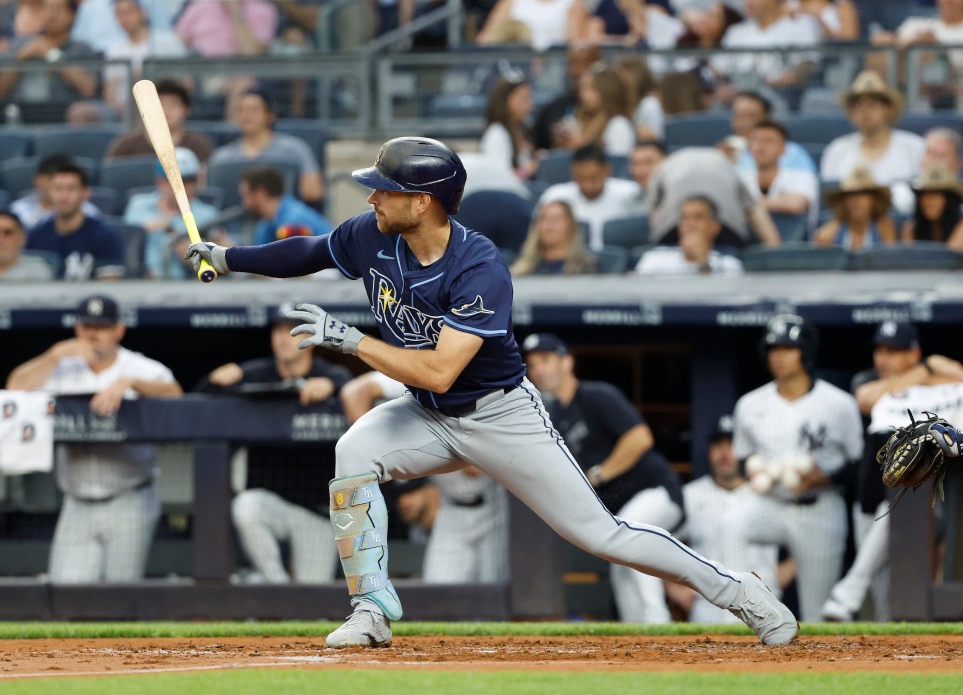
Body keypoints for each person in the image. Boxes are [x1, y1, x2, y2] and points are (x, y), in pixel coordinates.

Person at [186, 135, 797, 648]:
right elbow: (309, 252)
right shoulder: (372, 233)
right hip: (425, 415)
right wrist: (228, 255)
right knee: (352, 454)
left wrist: (352, 342)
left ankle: (740, 591)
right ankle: (370, 609)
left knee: (601, 535)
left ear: (423, 202)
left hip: (499, 414)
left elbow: (440, 371)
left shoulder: (479, 267)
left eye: (386, 188)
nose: (372, 196)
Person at [6, 295, 183, 583]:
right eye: (87, 326)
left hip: (130, 497)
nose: (93, 334)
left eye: (101, 327)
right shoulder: (61, 368)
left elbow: (175, 395)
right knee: (67, 596)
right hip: (77, 502)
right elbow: (14, 388)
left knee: (119, 597)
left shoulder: (139, 368)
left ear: (118, 331)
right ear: (77, 328)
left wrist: (131, 383)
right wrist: (53, 355)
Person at [523, 332, 686, 623]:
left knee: (635, 547)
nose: (538, 370)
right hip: (624, 509)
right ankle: (640, 641)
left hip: (657, 492)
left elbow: (640, 438)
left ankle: (658, 625)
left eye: (546, 360)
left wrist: (597, 475)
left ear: (567, 362)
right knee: (621, 565)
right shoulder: (553, 416)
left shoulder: (596, 395)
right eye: (532, 365)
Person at [724, 314, 862, 622]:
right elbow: (744, 457)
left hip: (819, 505)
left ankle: (817, 665)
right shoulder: (750, 404)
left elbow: (858, 461)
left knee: (818, 609)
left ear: (805, 352)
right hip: (769, 502)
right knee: (732, 524)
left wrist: (824, 477)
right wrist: (755, 472)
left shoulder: (839, 403)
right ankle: (754, 607)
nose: (779, 356)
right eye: (773, 349)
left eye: (788, 348)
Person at [822, 321, 963, 622]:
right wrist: (924, 372)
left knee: (898, 568)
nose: (884, 359)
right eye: (880, 350)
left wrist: (926, 370)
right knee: (879, 583)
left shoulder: (932, 376)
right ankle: (877, 638)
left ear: (914, 353)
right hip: (870, 493)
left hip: (917, 496)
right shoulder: (869, 377)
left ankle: (847, 594)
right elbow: (866, 398)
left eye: (895, 351)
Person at [200, 306, 351, 584]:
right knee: (245, 507)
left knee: (312, 600)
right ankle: (276, 586)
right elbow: (200, 398)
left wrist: (332, 385)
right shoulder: (255, 372)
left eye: (292, 330)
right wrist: (215, 380)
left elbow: (352, 385)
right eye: (278, 330)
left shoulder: (329, 373)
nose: (283, 337)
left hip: (316, 509)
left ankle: (289, 601)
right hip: (269, 501)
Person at [340, 371, 511, 584]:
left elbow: (473, 469)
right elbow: (353, 392)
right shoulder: (418, 370)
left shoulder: (482, 374)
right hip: (451, 509)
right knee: (437, 588)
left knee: (497, 592)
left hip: (495, 506)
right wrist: (373, 454)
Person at [669, 416, 780, 624]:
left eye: (732, 445)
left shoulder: (768, 496)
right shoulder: (690, 495)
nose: (724, 452)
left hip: (766, 608)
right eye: (718, 445)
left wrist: (775, 581)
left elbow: (802, 541)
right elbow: (660, 543)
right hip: (708, 611)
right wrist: (671, 587)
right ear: (709, 451)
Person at [819, 71, 925, 215]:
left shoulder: (915, 146)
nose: (865, 110)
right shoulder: (837, 150)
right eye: (858, 105)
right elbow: (829, 200)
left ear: (888, 108)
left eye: (873, 104)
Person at [208, 88, 325, 208]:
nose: (247, 115)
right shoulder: (221, 157)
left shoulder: (294, 150)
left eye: (254, 110)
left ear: (270, 115)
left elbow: (314, 192)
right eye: (241, 110)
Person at [647, 147, 781, 248]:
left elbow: (654, 211)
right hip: (723, 231)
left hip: (718, 229)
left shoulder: (663, 166)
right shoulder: (724, 162)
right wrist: (775, 252)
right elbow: (753, 209)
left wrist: (656, 244)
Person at [0, 0, 101, 123]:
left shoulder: (83, 50)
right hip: (22, 119)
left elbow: (89, 88)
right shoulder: (21, 45)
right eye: (46, 8)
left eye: (58, 9)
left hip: (65, 122)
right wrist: (19, 59)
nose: (51, 14)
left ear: (72, 15)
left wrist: (51, 54)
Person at [122, 147, 219, 279]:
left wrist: (170, 229)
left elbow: (205, 262)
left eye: (191, 180)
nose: (187, 187)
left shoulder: (207, 214)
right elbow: (124, 245)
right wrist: (142, 230)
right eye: (179, 181)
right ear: (160, 182)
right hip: (137, 281)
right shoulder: (138, 206)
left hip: (182, 285)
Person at [25, 162, 125, 280]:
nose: (63, 195)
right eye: (58, 189)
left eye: (71, 189)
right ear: (50, 193)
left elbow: (111, 284)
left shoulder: (105, 237)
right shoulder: (35, 236)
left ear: (85, 193)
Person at [537, 144, 641, 251]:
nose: (587, 185)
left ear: (607, 170)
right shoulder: (555, 196)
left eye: (593, 178)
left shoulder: (631, 194)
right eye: (580, 178)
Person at [101, 0, 186, 117]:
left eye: (129, 12)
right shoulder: (115, 51)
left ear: (143, 12)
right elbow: (110, 93)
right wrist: (125, 112)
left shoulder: (167, 43)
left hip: (164, 109)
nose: (125, 18)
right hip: (125, 114)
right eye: (119, 13)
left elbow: (185, 82)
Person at [105, 79, 213, 162]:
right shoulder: (125, 146)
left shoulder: (199, 146)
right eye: (160, 104)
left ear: (186, 110)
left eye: (173, 105)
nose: (166, 111)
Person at [635, 196, 745, 275]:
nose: (689, 224)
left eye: (698, 217)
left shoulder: (729, 264)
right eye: (684, 217)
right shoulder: (654, 258)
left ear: (715, 227)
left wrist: (703, 264)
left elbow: (721, 303)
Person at [742, 120, 819, 226]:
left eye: (768, 141)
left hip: (794, 241)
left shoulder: (802, 176)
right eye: (755, 141)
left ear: (783, 148)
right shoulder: (741, 179)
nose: (760, 148)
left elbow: (795, 204)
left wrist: (747, 204)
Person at [554, 62, 636, 157]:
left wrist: (582, 149)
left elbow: (618, 165)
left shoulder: (618, 125)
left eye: (590, 88)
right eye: (582, 88)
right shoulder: (581, 120)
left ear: (608, 91)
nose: (582, 95)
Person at [240, 166, 332, 247]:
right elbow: (256, 261)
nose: (244, 204)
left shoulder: (294, 223)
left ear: (261, 193)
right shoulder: (265, 225)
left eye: (246, 196)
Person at [729, 91, 816, 175]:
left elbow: (806, 185)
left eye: (750, 116)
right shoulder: (726, 151)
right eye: (737, 116)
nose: (743, 123)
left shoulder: (792, 153)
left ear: (766, 118)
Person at [533, 42, 601, 150]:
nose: (575, 71)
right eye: (572, 63)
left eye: (583, 63)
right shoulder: (555, 108)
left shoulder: (610, 114)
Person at [813, 166, 896, 252]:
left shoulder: (884, 227)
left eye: (863, 193)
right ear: (843, 201)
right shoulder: (826, 236)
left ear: (874, 199)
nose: (857, 200)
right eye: (851, 194)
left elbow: (887, 260)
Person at [9, 155, 102, 230]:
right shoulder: (18, 209)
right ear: (38, 180)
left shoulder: (89, 212)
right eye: (58, 186)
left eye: (70, 187)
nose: (64, 193)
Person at [510, 200, 597, 276]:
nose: (548, 226)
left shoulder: (587, 267)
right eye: (543, 219)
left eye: (556, 220)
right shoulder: (522, 270)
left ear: (571, 226)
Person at [480, 73, 537, 181]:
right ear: (506, 101)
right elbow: (499, 180)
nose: (530, 104)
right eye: (524, 99)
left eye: (529, 98)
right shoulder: (497, 134)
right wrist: (527, 170)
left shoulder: (523, 129)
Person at [474, 0, 588, 52]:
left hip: (553, 69)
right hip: (514, 61)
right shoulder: (510, 1)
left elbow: (575, 44)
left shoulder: (573, 3)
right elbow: (486, 38)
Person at [901, 166, 963, 248]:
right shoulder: (910, 229)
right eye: (924, 195)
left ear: (950, 200)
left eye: (935, 195)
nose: (928, 202)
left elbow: (951, 257)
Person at [626, 139, 666, 213]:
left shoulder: (680, 198)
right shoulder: (628, 202)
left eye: (648, 162)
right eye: (636, 163)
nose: (641, 170)